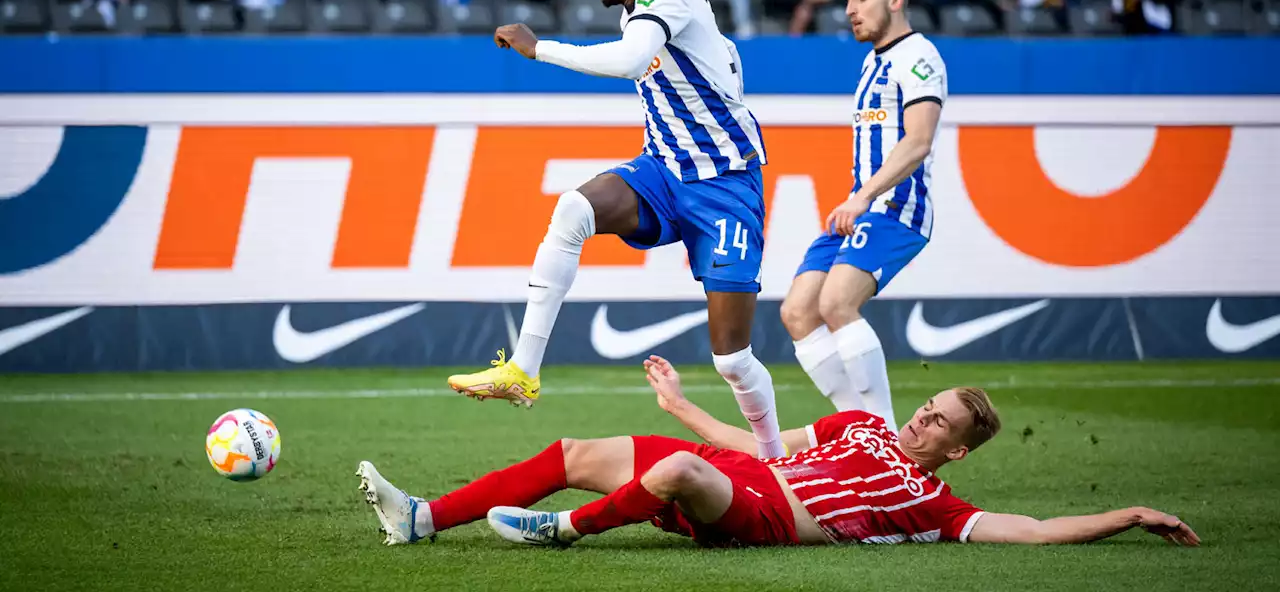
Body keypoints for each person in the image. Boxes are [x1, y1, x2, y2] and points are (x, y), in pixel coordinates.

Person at [450, 0, 784, 460]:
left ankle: (776, 463)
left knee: (731, 359)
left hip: (725, 186)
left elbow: (632, 62)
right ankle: (522, 370)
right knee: (573, 209)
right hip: (664, 173)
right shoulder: (642, 14)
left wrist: (541, 48)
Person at [357, 356, 1201, 549]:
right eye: (930, 406)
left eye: (941, 423)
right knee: (575, 446)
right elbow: (762, 442)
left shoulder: (935, 505)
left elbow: (1035, 528)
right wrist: (684, 405)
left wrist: (1128, 514)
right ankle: (424, 519)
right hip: (748, 473)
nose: (921, 419)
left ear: (958, 451)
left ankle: (565, 531)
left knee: (678, 472)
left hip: (764, 516)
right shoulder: (862, 424)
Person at [777, 0, 945, 430]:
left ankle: (886, 443)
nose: (849, 9)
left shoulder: (918, 56)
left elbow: (918, 140)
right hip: (862, 205)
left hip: (895, 206)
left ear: (895, 0)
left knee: (835, 304)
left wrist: (863, 197)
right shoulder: (875, 60)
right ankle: (864, 433)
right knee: (797, 312)